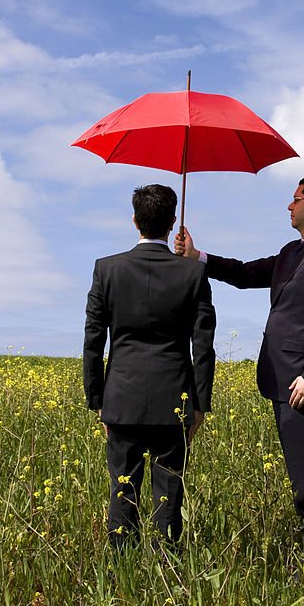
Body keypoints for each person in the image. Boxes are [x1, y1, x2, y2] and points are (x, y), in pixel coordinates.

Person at [175, 174, 304, 555]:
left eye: (295, 199)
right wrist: (197, 257)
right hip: (283, 377)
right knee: (300, 469)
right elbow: (244, 274)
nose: (289, 207)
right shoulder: (293, 251)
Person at [83, 184, 216, 550]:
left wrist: (97, 400)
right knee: (168, 494)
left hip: (120, 398)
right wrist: (200, 405)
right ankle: (165, 573)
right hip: (174, 398)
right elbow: (203, 345)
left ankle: (123, 571)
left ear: (134, 221)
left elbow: (93, 341)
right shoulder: (192, 274)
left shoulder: (106, 270)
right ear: (173, 222)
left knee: (121, 488)